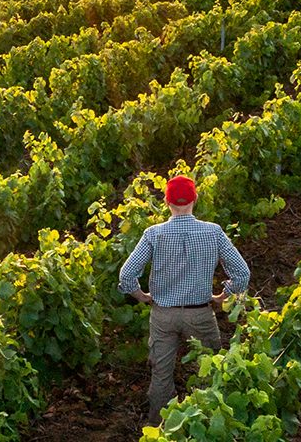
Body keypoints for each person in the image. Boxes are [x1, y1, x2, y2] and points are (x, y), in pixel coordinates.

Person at [117, 174, 251, 421]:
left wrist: (141, 296)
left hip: (162, 315)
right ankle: (203, 424)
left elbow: (127, 274)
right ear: (195, 199)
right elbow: (242, 273)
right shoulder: (213, 232)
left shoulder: (153, 233)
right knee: (208, 371)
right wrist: (224, 295)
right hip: (199, 313)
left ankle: (159, 428)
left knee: (161, 375)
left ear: (166, 201)